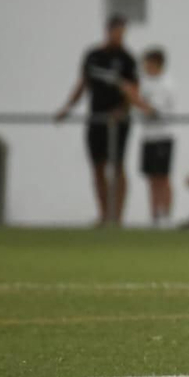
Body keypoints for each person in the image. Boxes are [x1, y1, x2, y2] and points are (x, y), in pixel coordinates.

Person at [54, 14, 143, 226]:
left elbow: (134, 92)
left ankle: (118, 218)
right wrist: (67, 108)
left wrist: (122, 110)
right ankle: (104, 215)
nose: (120, 36)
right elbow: (83, 84)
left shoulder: (127, 59)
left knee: (118, 166)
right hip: (96, 118)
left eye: (123, 32)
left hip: (118, 122)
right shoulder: (93, 56)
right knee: (98, 167)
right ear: (108, 31)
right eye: (117, 31)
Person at [137, 47, 176, 227]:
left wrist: (136, 100)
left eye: (147, 63)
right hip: (148, 137)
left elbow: (154, 111)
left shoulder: (165, 84)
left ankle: (166, 215)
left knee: (163, 177)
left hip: (163, 136)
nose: (145, 67)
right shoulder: (144, 83)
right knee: (151, 178)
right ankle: (153, 215)